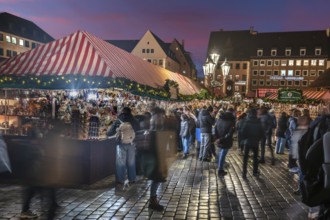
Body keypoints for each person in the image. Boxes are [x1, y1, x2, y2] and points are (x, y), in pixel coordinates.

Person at [107, 107, 139, 185]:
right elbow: (138, 130)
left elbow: (110, 133)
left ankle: (120, 180)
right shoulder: (134, 120)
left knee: (120, 162)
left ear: (122, 112)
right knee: (131, 162)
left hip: (121, 143)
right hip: (131, 143)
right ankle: (132, 179)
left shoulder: (118, 120)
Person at [240, 108, 264, 179]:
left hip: (247, 142)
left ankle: (244, 173)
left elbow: (243, 132)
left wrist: (244, 139)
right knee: (255, 158)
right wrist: (257, 139)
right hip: (255, 142)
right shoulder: (258, 122)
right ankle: (255, 172)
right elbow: (262, 133)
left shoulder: (246, 121)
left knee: (245, 158)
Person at [214, 108, 236, 176]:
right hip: (225, 141)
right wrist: (221, 139)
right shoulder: (231, 122)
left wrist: (217, 138)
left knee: (220, 152)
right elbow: (230, 133)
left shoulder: (219, 120)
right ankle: (220, 169)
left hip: (219, 140)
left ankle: (219, 166)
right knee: (223, 154)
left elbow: (215, 129)